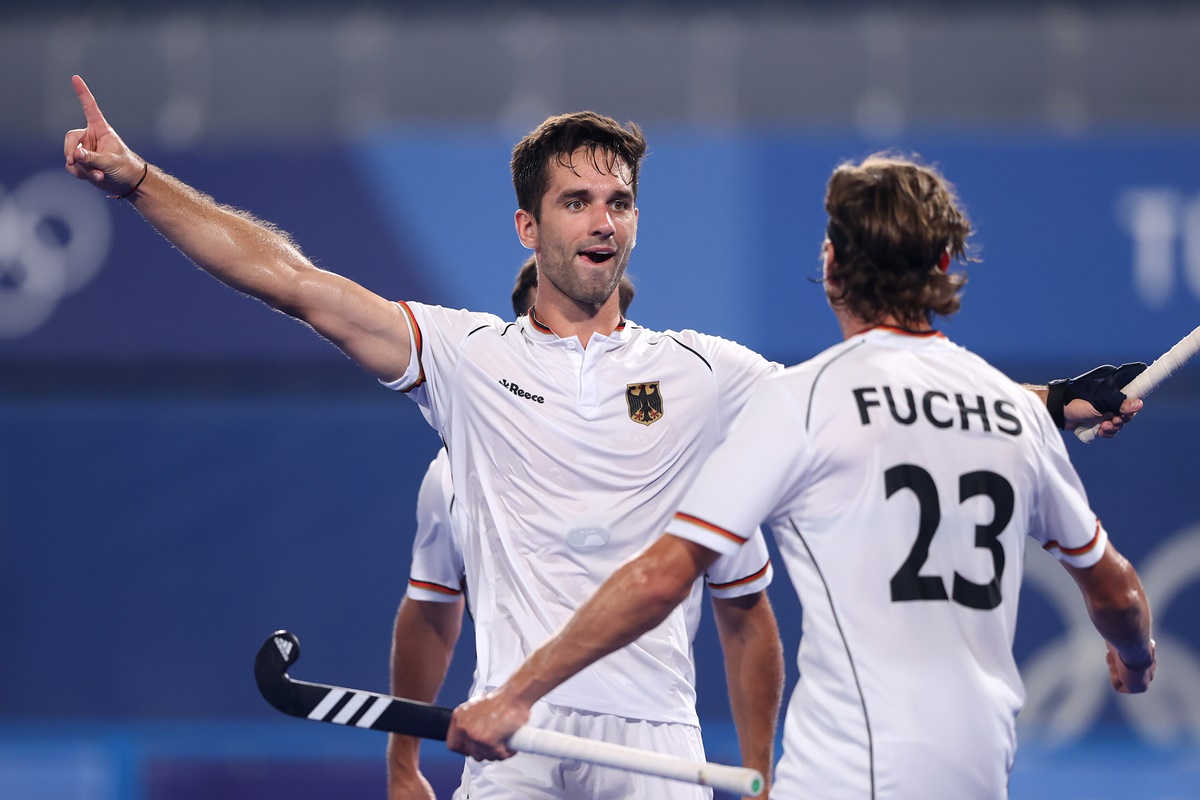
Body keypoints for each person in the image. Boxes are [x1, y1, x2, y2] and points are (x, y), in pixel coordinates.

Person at [64, 75, 1138, 799]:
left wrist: (1051, 402)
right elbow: (288, 279)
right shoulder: (463, 354)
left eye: (619, 199)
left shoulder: (714, 373)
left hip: (658, 748)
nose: (603, 218)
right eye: (576, 200)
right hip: (510, 736)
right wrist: (142, 182)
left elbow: (882, 395)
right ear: (529, 227)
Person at [446, 153, 1156, 799]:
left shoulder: (806, 401)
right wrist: (1136, 658)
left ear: (832, 261)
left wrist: (517, 695)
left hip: (845, 776)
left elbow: (661, 578)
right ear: (944, 262)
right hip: (981, 772)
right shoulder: (1012, 412)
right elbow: (1119, 592)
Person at [392, 260, 777, 799]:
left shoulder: (687, 444)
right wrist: (403, 762)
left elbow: (745, 614)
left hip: (654, 736)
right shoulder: (451, 476)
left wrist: (762, 776)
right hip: (510, 739)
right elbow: (431, 615)